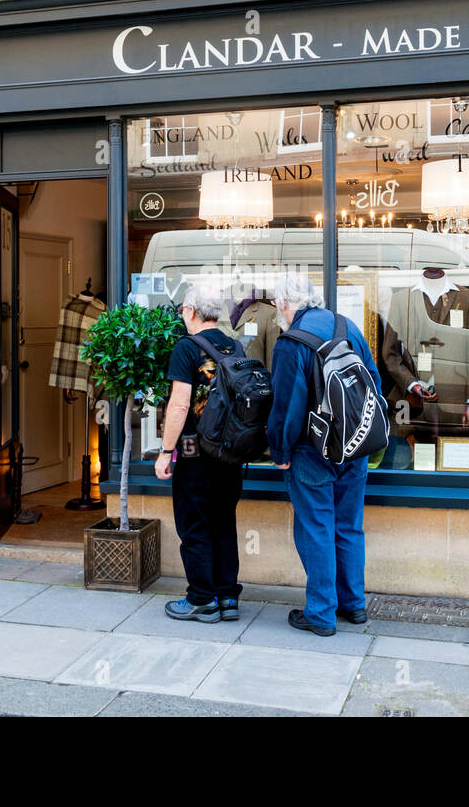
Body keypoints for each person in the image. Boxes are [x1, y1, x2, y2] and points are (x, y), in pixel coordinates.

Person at [266, 271, 382, 637]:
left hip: (312, 452)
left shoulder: (291, 342)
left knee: (315, 528)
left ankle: (320, 613)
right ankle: (354, 605)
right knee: (348, 526)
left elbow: (286, 408)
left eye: (275, 304)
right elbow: (373, 381)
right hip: (355, 445)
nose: (276, 311)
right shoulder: (345, 326)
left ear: (285, 303)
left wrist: (280, 451)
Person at [154, 283, 245, 623]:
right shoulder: (235, 345)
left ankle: (201, 599)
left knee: (195, 525)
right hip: (230, 454)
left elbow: (179, 406)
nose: (181, 315)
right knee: (224, 523)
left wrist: (165, 451)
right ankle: (226, 598)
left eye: (182, 310)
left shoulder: (187, 348)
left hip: (195, 455)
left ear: (191, 311)